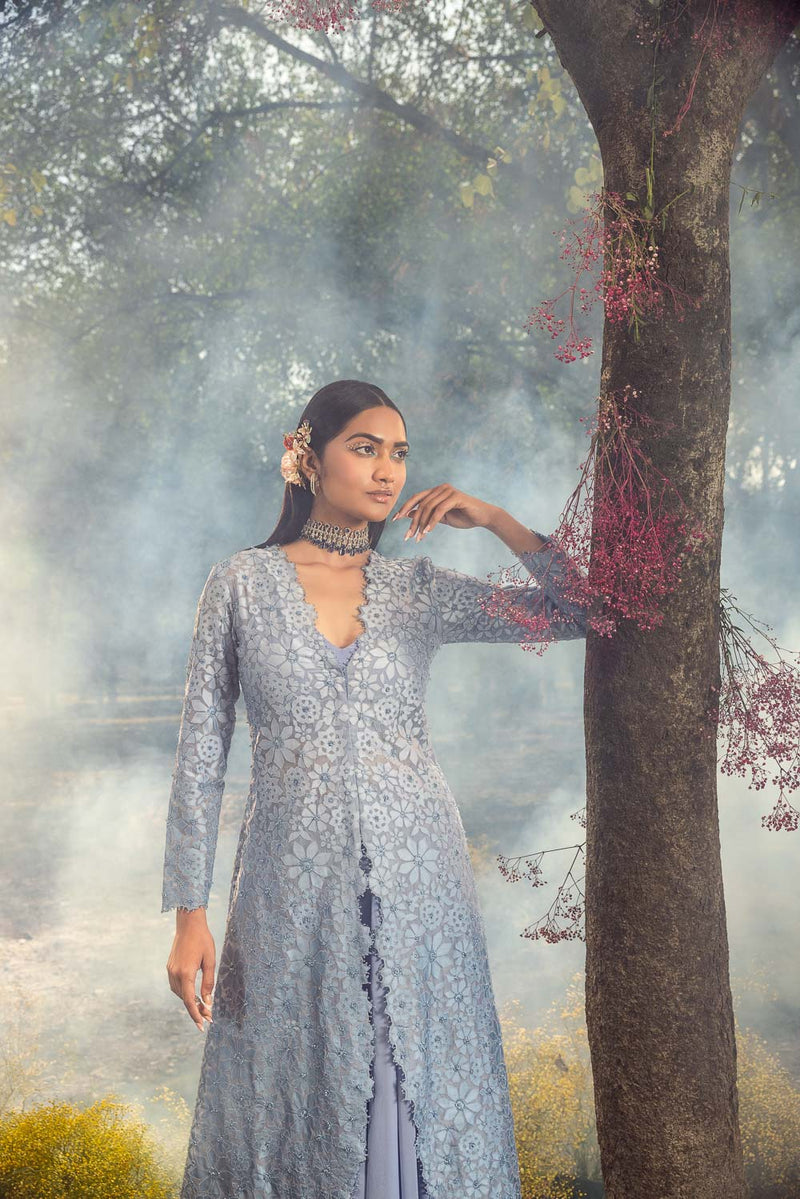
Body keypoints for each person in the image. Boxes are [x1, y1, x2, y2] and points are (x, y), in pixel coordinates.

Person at [162, 379, 592, 1199]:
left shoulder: (417, 590)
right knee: (293, 1084)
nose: (387, 469)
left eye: (399, 452)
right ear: (307, 455)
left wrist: (497, 520)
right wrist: (190, 914)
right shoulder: (241, 585)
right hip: (290, 887)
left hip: (420, 882)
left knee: (417, 1076)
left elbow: (578, 611)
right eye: (365, 447)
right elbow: (199, 755)